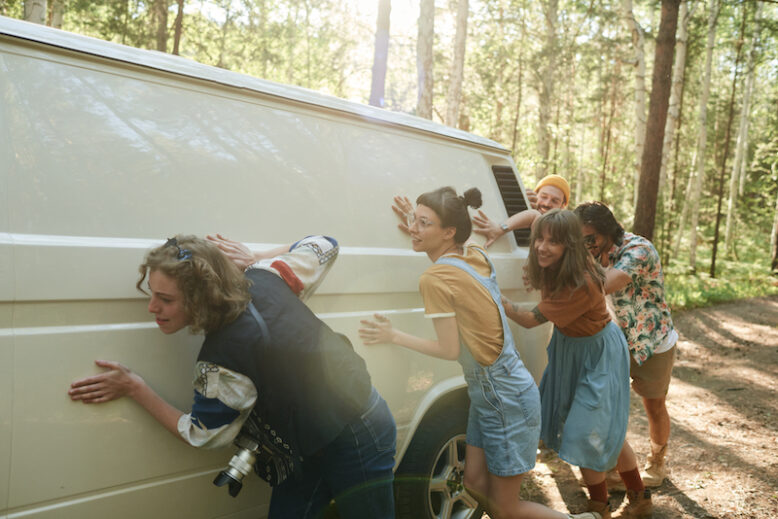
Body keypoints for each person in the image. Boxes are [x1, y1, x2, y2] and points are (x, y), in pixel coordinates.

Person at [68, 234, 397, 519]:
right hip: (306, 442)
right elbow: (324, 244)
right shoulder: (269, 275)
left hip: (358, 431)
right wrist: (258, 259)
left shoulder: (223, 361)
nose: (152, 307)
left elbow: (202, 435)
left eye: (165, 299)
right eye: (151, 293)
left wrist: (135, 388)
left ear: (200, 297)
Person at [360, 186, 601, 519]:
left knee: (506, 509)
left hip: (504, 394)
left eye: (424, 223)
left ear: (449, 232)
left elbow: (449, 349)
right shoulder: (475, 254)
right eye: (414, 221)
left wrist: (393, 335)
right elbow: (457, 247)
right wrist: (416, 220)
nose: (414, 229)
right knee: (472, 483)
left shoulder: (435, 279)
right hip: (493, 391)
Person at [501, 209, 652, 519]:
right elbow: (536, 216)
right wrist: (497, 227)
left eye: (553, 242)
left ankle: (599, 508)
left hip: (598, 354)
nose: (542, 246)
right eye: (539, 240)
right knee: (603, 427)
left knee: (584, 434)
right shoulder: (558, 264)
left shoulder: (579, 282)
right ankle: (639, 495)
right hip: (570, 347)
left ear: (569, 245)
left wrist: (496, 300)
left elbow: (530, 319)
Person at [574, 202, 678, 490]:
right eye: (580, 240)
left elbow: (606, 284)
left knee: (654, 406)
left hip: (653, 341)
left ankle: (657, 461)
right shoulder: (589, 252)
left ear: (608, 231)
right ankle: (612, 466)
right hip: (615, 340)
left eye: (591, 238)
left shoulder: (638, 250)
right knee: (605, 406)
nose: (586, 245)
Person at [472, 174, 570, 248]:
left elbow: (534, 216)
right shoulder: (519, 214)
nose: (547, 204)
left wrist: (499, 229)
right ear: (535, 195)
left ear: (562, 207)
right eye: (543, 197)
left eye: (555, 201)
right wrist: (520, 204)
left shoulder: (564, 230)